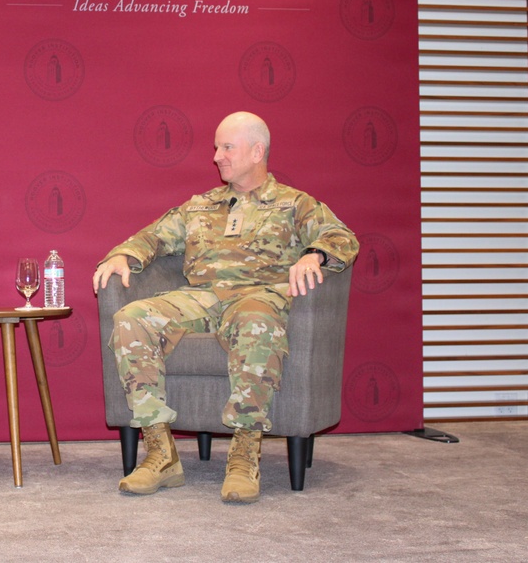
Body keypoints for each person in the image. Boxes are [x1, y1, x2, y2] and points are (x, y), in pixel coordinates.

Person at [92, 111, 358, 503]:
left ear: (257, 151)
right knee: (131, 319)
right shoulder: (201, 206)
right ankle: (161, 453)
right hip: (202, 297)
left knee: (256, 322)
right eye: (216, 147)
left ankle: (244, 453)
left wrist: (314, 255)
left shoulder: (293, 204)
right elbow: (153, 237)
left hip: (258, 296)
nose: (216, 156)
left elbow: (342, 236)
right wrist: (123, 255)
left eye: (226, 147)